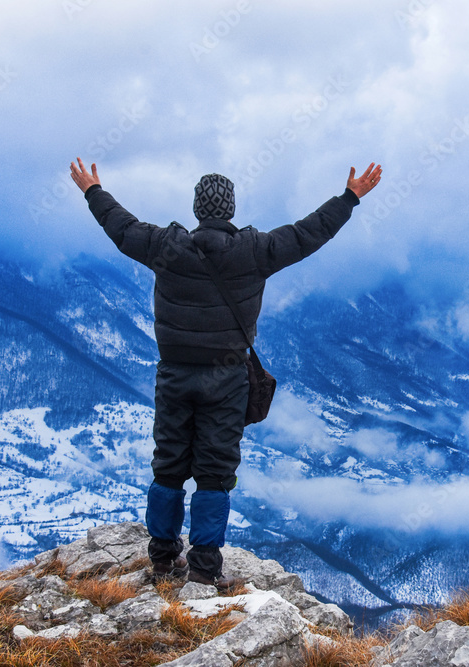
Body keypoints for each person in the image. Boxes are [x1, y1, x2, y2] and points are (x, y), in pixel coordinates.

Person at [69, 157, 382, 589]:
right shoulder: (256, 251)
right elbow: (310, 232)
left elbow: (120, 226)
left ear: (198, 209)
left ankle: (162, 560)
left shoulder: (165, 246)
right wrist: (350, 198)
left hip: (175, 375)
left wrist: (93, 190)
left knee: (168, 465)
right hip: (227, 378)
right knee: (215, 472)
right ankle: (203, 568)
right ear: (230, 210)